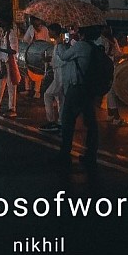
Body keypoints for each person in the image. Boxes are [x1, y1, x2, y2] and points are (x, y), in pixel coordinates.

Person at [53, 25, 102, 169]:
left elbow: (64, 56)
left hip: (77, 89)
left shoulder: (81, 46)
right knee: (91, 123)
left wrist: (59, 43)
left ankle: (64, 155)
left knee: (67, 121)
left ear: (83, 34)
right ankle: (91, 155)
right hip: (89, 89)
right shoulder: (93, 47)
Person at [0, 17, 19, 118]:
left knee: (11, 87)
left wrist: (1, 49)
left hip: (9, 63)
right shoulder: (4, 33)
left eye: (1, 21)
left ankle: (12, 108)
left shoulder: (11, 34)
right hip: (3, 62)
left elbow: (14, 51)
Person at [101, 25, 128, 127]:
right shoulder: (107, 41)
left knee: (110, 91)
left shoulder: (107, 40)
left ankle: (110, 114)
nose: (109, 29)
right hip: (111, 67)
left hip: (107, 67)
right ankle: (116, 117)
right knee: (112, 91)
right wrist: (124, 55)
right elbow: (114, 54)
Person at [38, 23, 65, 132]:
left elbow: (62, 59)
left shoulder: (60, 45)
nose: (48, 33)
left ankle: (51, 121)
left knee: (47, 95)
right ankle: (61, 122)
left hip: (60, 75)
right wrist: (48, 59)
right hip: (58, 74)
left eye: (50, 31)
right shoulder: (58, 44)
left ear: (54, 31)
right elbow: (57, 59)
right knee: (60, 99)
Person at [22, 16, 50, 97]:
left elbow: (47, 41)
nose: (37, 23)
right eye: (36, 21)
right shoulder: (31, 28)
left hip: (40, 53)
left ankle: (37, 91)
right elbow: (25, 39)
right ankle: (27, 89)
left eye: (38, 21)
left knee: (38, 71)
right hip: (31, 52)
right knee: (28, 70)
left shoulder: (45, 29)